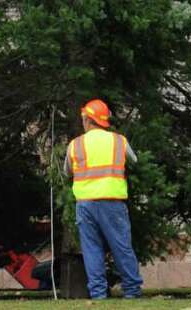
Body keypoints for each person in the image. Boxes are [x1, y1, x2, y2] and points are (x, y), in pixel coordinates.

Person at [64, 99, 143, 301]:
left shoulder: (76, 145)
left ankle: (98, 294)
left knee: (92, 250)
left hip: (86, 204)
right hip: (112, 202)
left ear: (88, 120)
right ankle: (132, 291)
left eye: (83, 118)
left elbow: (68, 171)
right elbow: (134, 161)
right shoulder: (118, 141)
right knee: (121, 246)